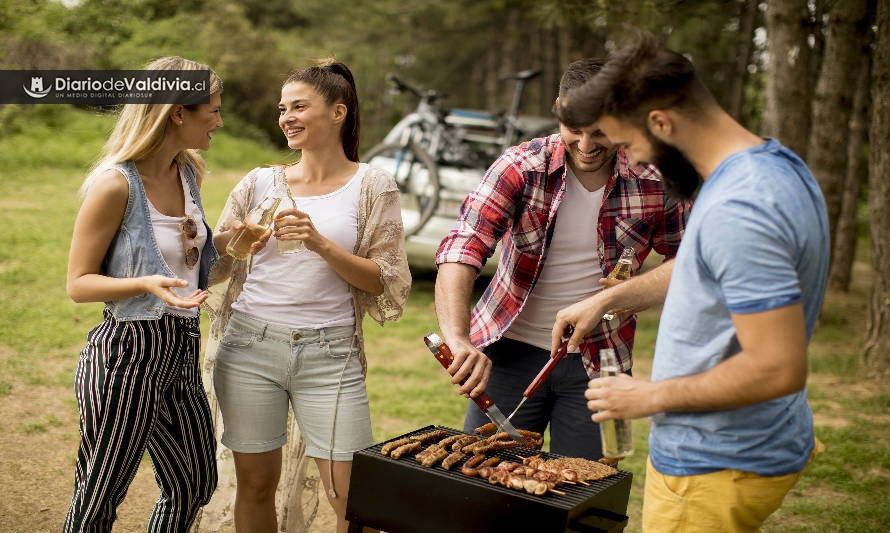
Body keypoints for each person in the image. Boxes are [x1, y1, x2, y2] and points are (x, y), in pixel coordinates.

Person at [552, 29, 829, 532]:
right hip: (752, 444)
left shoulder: (739, 209)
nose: (632, 161)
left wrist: (648, 397)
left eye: (630, 143)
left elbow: (777, 368)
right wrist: (611, 299)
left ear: (661, 122)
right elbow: (702, 266)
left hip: (714, 461)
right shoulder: (769, 166)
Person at [434, 58, 690, 460]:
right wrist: (457, 338)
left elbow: (690, 261)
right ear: (559, 110)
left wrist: (625, 298)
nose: (586, 147)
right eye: (575, 130)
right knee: (485, 485)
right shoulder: (520, 165)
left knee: (589, 493)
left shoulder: (656, 180)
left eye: (601, 132)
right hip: (510, 354)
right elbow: (462, 247)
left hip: (605, 360)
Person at [202, 59, 411, 533]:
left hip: (330, 354)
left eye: (299, 106)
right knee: (255, 486)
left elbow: (383, 279)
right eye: (282, 108)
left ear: (338, 112)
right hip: (250, 346)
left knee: (353, 500)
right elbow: (215, 262)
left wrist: (319, 242)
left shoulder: (373, 185)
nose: (286, 117)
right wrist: (234, 240)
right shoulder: (259, 181)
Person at [63, 56, 223, 531]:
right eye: (211, 110)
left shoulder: (188, 172)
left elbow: (186, 258)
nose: (218, 120)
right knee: (98, 497)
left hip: (180, 350)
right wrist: (144, 285)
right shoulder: (115, 185)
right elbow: (78, 283)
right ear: (178, 113)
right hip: (127, 354)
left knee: (194, 481)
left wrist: (233, 241)